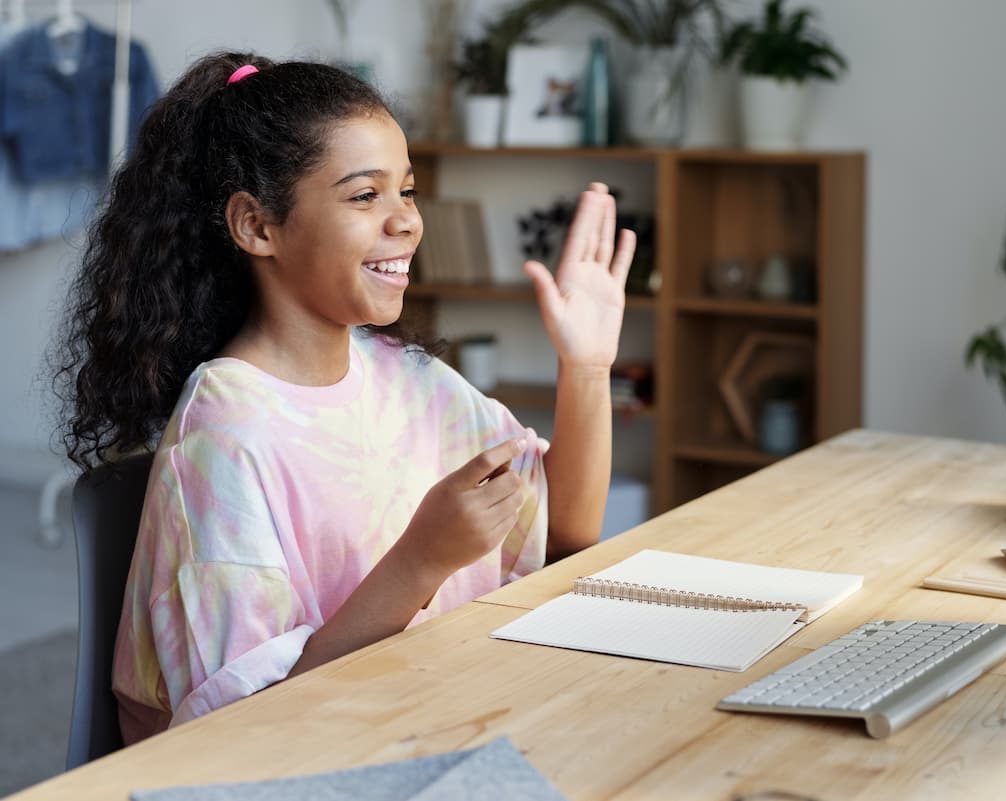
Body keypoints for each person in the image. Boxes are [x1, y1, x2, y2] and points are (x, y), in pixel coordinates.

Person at [55, 51, 635, 745]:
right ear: (257, 227)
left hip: (432, 725)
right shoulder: (223, 438)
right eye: (366, 196)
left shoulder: (410, 378)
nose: (407, 222)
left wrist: (587, 366)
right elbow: (249, 732)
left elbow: (565, 537)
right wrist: (421, 561)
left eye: (408, 191)